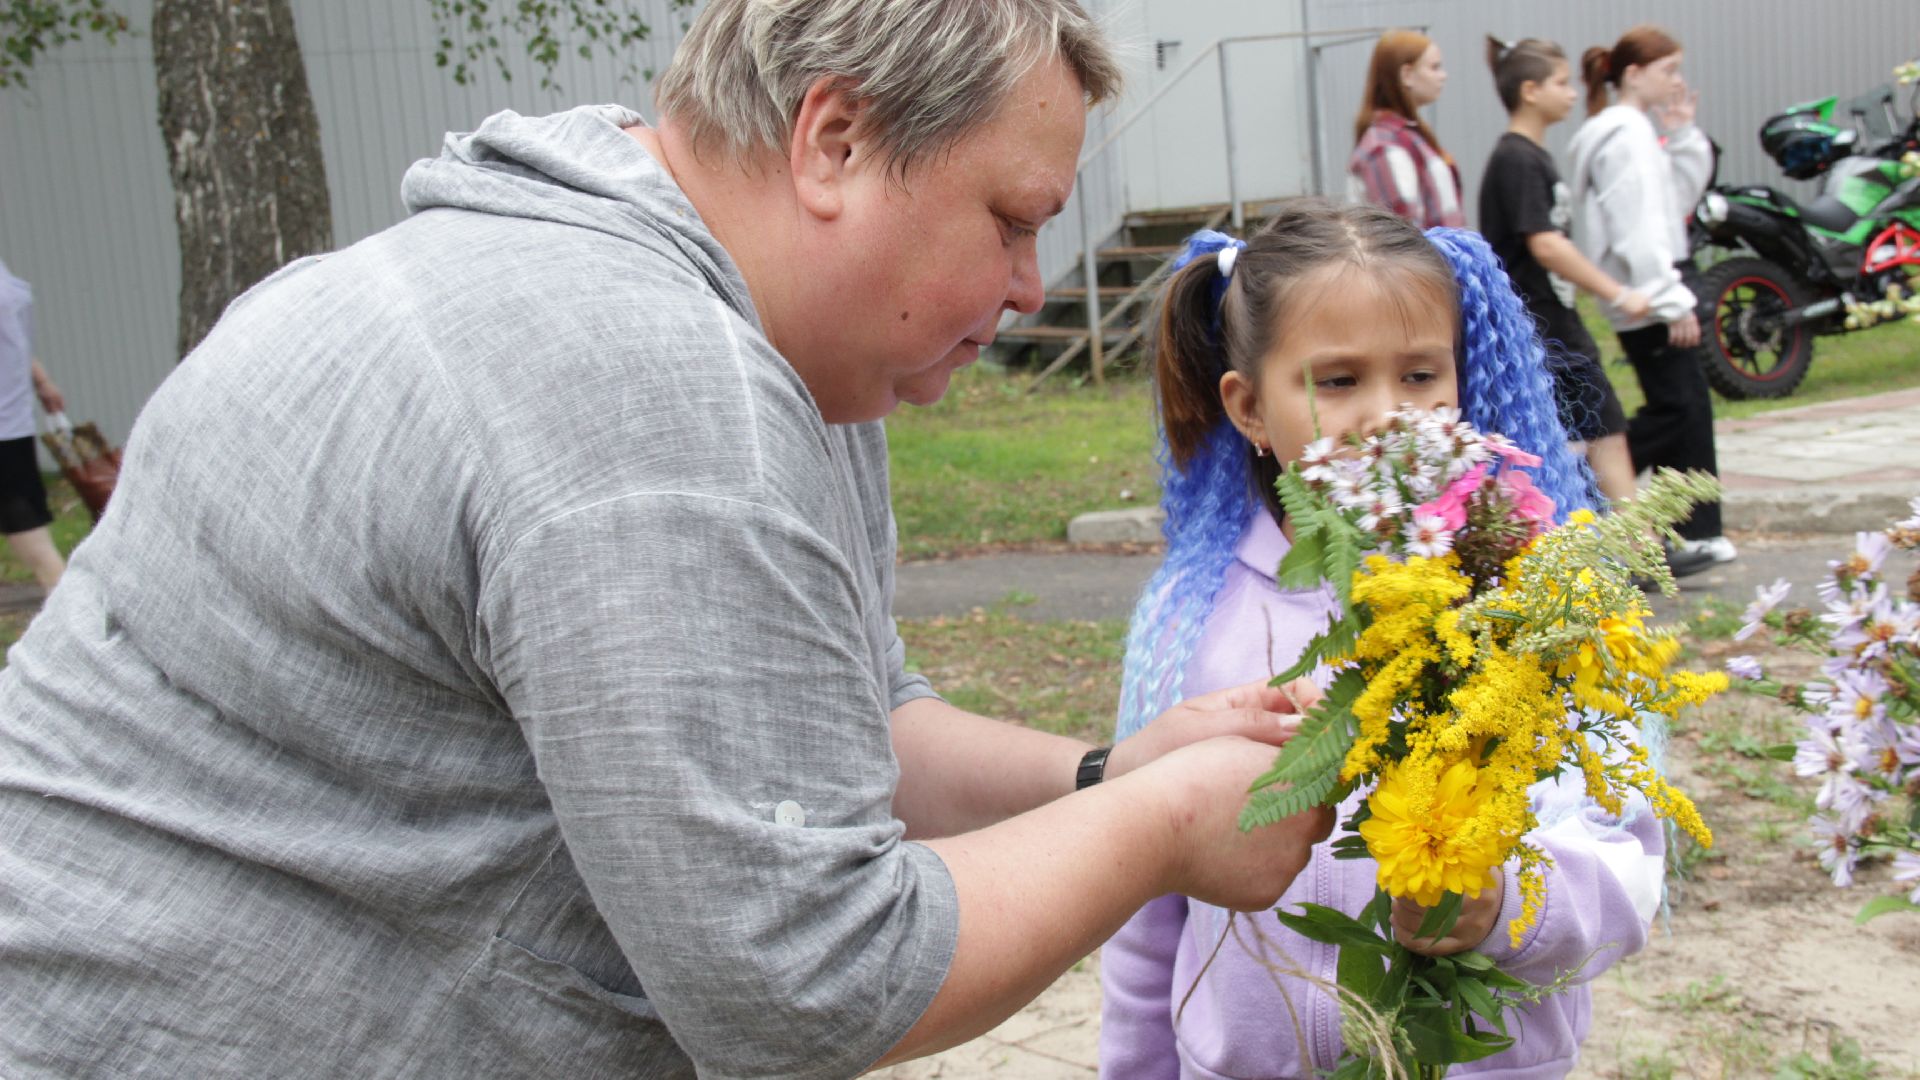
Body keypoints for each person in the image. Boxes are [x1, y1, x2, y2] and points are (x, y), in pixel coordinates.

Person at [0, 3, 1339, 1076]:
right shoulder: (644, 374)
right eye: (1009, 216)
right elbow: (805, 980)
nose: (1030, 284)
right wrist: (1163, 825)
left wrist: (1105, 772)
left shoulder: (771, 342)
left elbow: (844, 723)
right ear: (834, 143)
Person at [1098, 200, 1667, 1079]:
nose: (1385, 415)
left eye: (1419, 376)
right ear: (1249, 407)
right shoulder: (1193, 616)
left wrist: (1506, 901)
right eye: (1336, 381)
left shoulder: (1529, 603)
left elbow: (1627, 867)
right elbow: (1143, 889)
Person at [1478, 36, 1712, 580]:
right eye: (1560, 83)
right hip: (1542, 323)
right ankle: (1636, 553)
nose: (1571, 92)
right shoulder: (1515, 158)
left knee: (1596, 431)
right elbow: (1546, 244)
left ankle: (1629, 549)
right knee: (1600, 430)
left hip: (1554, 319)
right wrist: (1619, 291)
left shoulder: (1531, 156)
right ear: (1530, 91)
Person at [1568, 25, 1736, 565]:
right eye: (1668, 70)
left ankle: (1697, 528)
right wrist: (1668, 298)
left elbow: (1673, 203)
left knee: (1685, 407)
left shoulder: (1635, 130)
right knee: (1679, 408)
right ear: (1633, 74)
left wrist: (1685, 136)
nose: (1676, 82)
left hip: (1653, 283)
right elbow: (1636, 225)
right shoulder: (1623, 133)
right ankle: (1589, 480)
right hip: (1650, 288)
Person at [1348, 30, 1465, 229]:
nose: (1443, 76)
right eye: (1434, 67)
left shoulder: (1406, 137)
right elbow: (1402, 238)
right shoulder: (1385, 146)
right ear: (1407, 75)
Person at [0, 258, 67, 592]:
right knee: (35, 542)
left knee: (34, 538)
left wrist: (41, 381)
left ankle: (73, 626)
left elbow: (13, 332)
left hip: (11, 424)